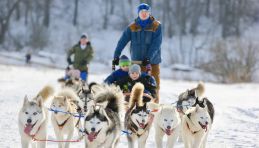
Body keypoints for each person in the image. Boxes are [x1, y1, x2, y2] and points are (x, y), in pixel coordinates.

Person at [113, 3, 162, 103]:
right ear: (138, 13)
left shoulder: (156, 26)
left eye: (146, 12)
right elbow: (122, 41)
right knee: (136, 87)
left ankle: (154, 108)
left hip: (152, 62)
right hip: (136, 63)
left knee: (154, 86)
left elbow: (156, 44)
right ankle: (137, 108)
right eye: (141, 12)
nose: (144, 14)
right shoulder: (132, 27)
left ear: (149, 13)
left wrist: (148, 57)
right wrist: (116, 55)